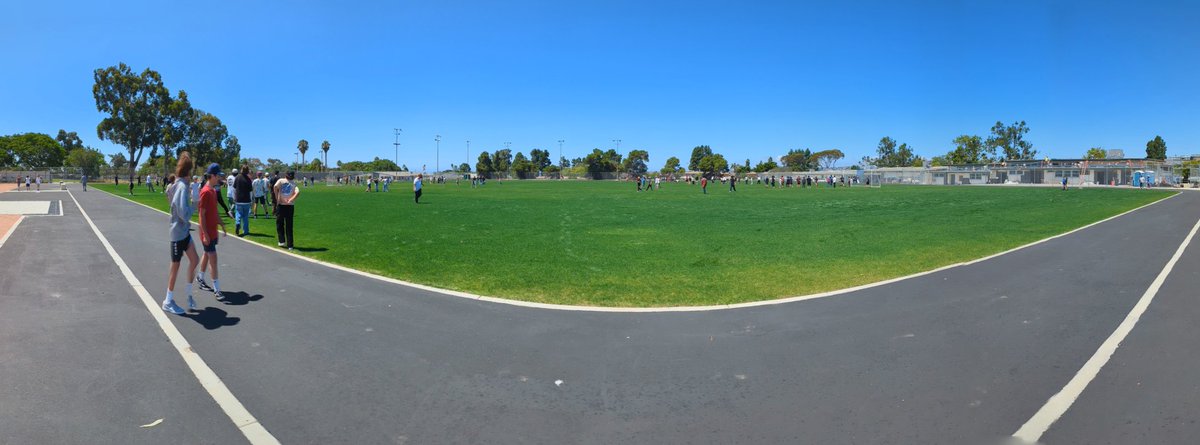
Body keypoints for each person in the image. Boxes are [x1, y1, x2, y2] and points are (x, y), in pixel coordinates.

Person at [162, 152, 200, 315]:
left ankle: (188, 291)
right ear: (188, 171)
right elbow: (184, 213)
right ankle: (168, 300)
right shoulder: (182, 186)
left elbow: (169, 197)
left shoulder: (178, 184)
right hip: (178, 232)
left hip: (183, 232)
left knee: (195, 259)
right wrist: (194, 205)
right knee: (175, 266)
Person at [195, 164, 229, 300]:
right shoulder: (205, 192)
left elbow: (214, 212)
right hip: (206, 231)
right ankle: (217, 289)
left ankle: (200, 277)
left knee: (207, 254)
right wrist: (205, 234)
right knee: (213, 258)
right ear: (213, 176)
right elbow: (201, 215)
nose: (220, 178)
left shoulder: (214, 191)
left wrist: (222, 224)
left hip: (212, 230)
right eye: (218, 175)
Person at [274, 171, 299, 250]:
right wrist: (291, 199)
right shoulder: (294, 183)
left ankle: (281, 241)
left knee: (279, 224)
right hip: (290, 206)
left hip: (281, 205)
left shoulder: (281, 181)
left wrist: (277, 197)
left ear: (286, 175)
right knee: (289, 225)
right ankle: (290, 245)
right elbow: (298, 192)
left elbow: (275, 187)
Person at [233, 166, 253, 237]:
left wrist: (234, 197)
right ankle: (246, 231)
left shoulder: (237, 177)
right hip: (246, 200)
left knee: (238, 213)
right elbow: (250, 191)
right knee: (245, 216)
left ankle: (238, 223)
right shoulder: (248, 179)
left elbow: (234, 188)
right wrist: (251, 201)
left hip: (238, 199)